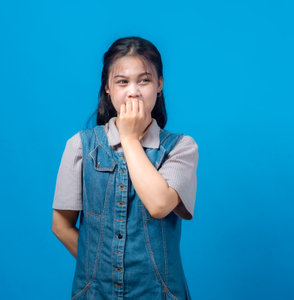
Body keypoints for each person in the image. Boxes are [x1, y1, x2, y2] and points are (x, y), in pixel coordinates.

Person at [51, 36, 199, 300]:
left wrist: (129, 138)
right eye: (122, 82)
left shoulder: (181, 147)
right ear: (107, 87)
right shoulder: (80, 147)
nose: (133, 91)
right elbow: (61, 226)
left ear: (159, 85)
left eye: (144, 80)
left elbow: (158, 205)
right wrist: (99, 271)